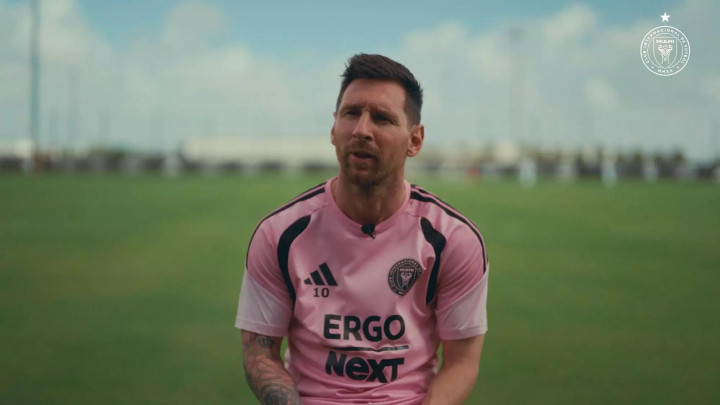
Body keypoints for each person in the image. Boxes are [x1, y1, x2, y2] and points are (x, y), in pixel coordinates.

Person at [236, 53, 489, 405]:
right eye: (351, 114)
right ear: (333, 129)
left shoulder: (452, 240)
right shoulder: (280, 234)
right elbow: (259, 354)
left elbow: (462, 363)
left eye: (382, 118)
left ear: (415, 140)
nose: (361, 130)